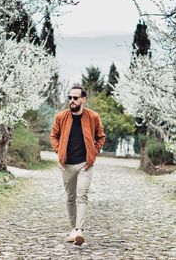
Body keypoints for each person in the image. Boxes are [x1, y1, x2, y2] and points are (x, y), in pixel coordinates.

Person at [50, 85, 105, 246]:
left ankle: (80, 230)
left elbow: (100, 137)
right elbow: (54, 136)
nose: (72, 101)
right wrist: (58, 150)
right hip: (66, 164)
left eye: (75, 98)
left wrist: (93, 153)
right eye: (70, 98)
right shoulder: (61, 117)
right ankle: (73, 230)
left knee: (82, 195)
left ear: (83, 99)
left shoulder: (93, 117)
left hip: (85, 164)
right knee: (70, 197)